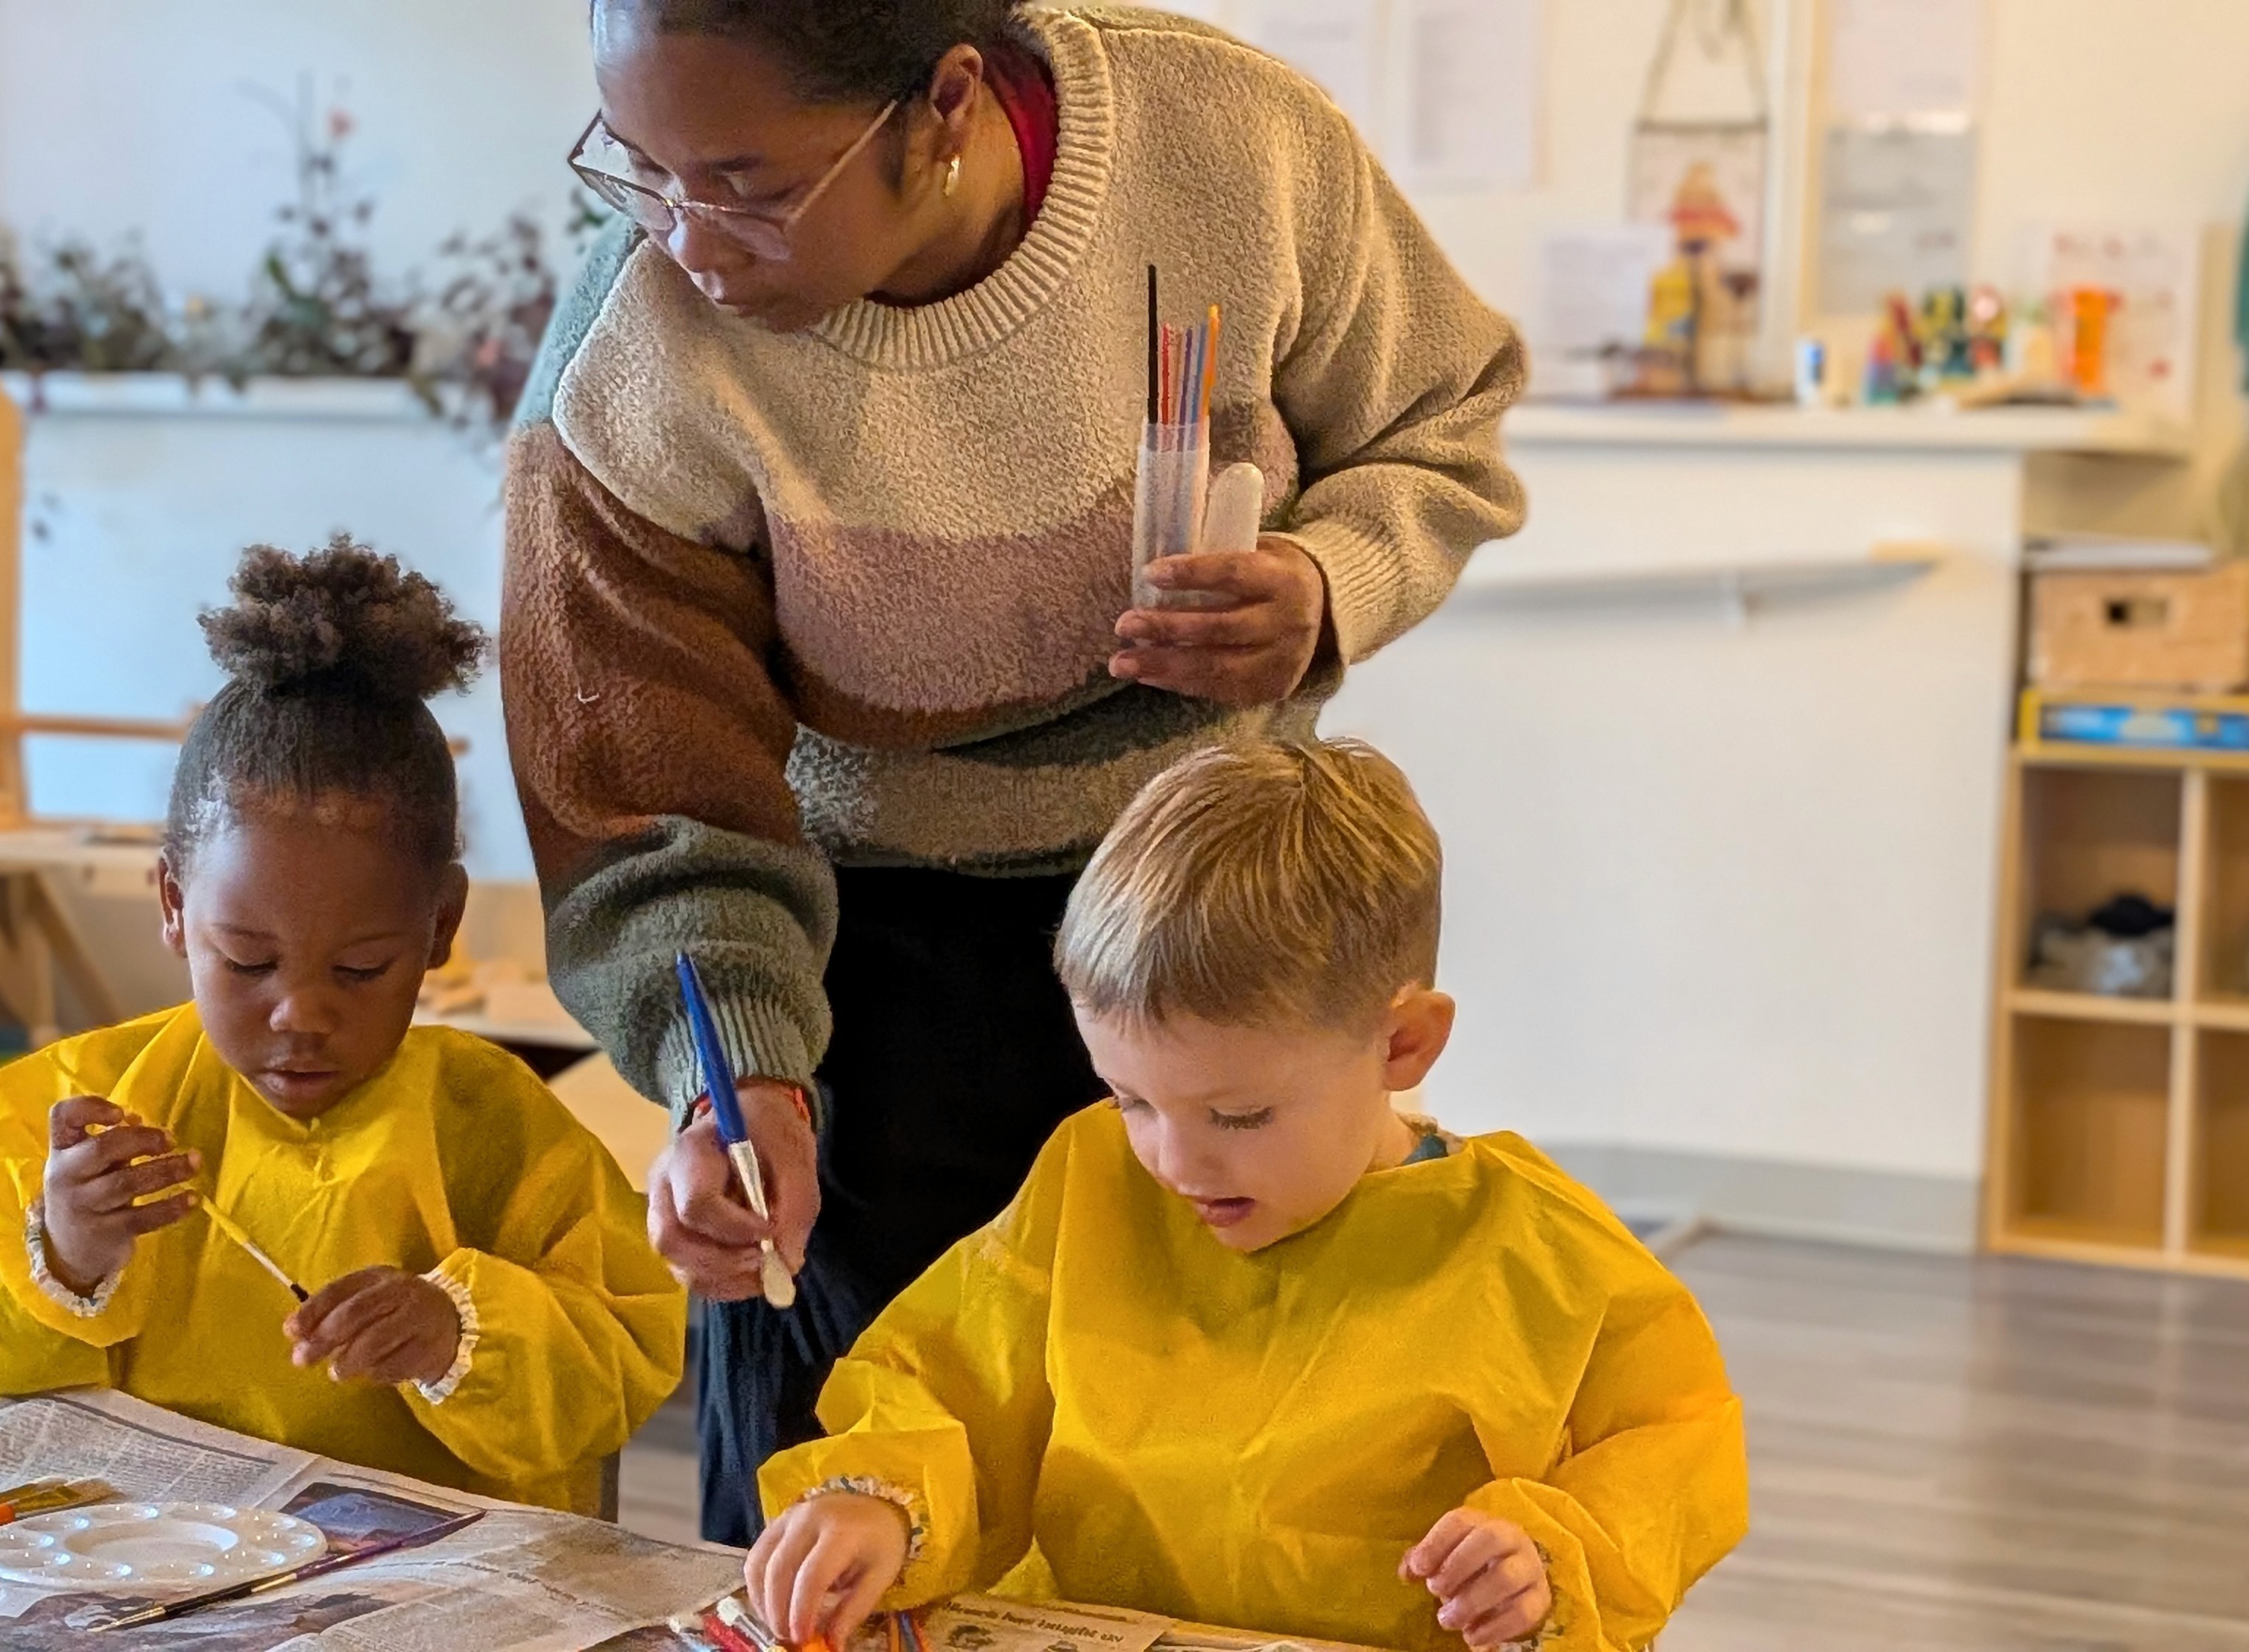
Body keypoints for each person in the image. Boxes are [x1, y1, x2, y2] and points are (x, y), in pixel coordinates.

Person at [503, 0, 1526, 1541]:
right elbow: (647, 784)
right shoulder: (636, 351)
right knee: (835, 1487)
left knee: (1175, 1482)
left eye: (745, 183)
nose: (686, 243)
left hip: (1194, 932)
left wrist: (1323, 586)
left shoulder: (1234, 149)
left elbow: (1440, 423)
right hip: (852, 953)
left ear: (947, 106)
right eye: (635, 170)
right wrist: (736, 1073)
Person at [742, 740, 1748, 1651]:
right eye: (1131, 1097)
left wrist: (1544, 1560)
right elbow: (948, 1381)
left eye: (1238, 1117)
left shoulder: (1537, 1249)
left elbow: (1674, 1450)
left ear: (1402, 1044)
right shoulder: (1090, 1180)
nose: (1174, 1164)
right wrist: (881, 1500)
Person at [0, 537, 685, 1517]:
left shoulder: (499, 1130)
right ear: (174, 905)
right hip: (160, 1565)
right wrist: (66, 1247)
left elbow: (614, 1366)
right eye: (248, 962)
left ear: (440, 925)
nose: (300, 1015)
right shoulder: (84, 1110)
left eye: (360, 970)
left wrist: (454, 1336)